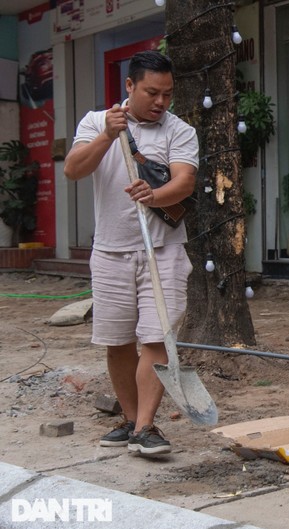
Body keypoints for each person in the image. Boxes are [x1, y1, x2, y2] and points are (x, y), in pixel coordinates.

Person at [63, 50, 198, 455]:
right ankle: (128, 418)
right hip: (110, 251)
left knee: (156, 336)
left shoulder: (180, 130)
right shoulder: (95, 121)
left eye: (168, 94)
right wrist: (107, 134)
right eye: (152, 92)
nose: (161, 102)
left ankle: (145, 427)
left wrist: (153, 195)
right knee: (118, 341)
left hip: (164, 251)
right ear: (130, 86)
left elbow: (185, 182)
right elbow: (73, 169)